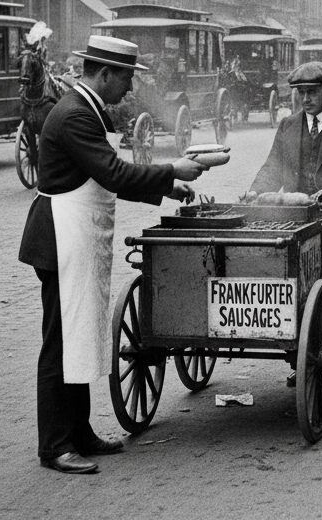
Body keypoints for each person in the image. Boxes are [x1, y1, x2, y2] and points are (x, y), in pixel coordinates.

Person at [18, 35, 204, 475]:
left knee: (80, 336)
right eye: (126, 78)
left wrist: (167, 187)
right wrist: (171, 169)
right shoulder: (74, 116)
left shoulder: (85, 109)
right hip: (62, 240)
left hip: (77, 237)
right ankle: (54, 445)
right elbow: (114, 171)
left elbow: (108, 178)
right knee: (59, 345)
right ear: (104, 74)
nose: (130, 89)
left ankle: (79, 431)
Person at [250, 61, 322, 196]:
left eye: (312, 92)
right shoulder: (287, 125)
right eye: (301, 92)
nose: (305, 99)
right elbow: (273, 168)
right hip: (295, 212)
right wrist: (255, 192)